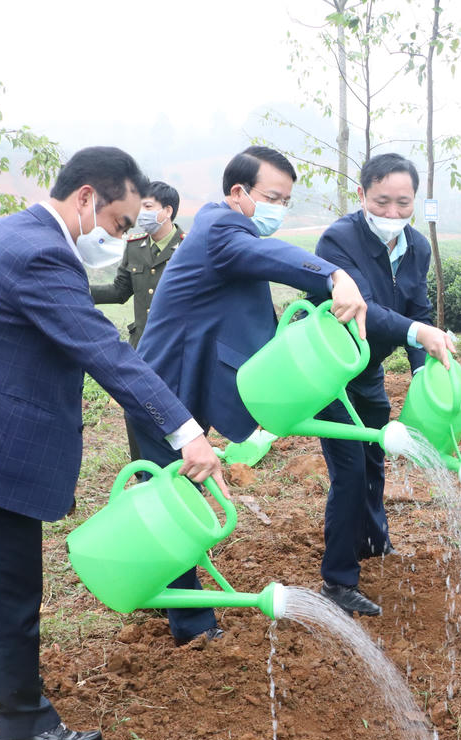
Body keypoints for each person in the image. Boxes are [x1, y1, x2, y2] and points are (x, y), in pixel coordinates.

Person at [0, 147, 226, 740]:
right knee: (12, 582)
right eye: (120, 223)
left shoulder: (8, 232)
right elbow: (107, 353)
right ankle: (24, 718)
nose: (122, 235)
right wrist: (186, 430)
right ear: (85, 198)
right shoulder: (43, 255)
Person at [134, 146, 367, 641]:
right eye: (271, 197)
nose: (278, 209)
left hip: (189, 379)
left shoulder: (228, 232)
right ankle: (191, 626)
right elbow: (273, 258)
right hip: (162, 388)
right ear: (238, 193)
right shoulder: (220, 228)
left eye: (286, 200)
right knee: (176, 499)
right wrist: (333, 274)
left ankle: (159, 593)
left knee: (176, 494)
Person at [312, 153, 455, 617]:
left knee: (374, 461)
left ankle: (374, 541)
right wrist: (419, 334)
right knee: (349, 472)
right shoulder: (339, 240)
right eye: (382, 202)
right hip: (329, 374)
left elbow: (418, 308)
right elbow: (365, 307)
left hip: (367, 372)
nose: (393, 214)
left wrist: (420, 371)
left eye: (403, 203)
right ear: (362, 196)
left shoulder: (416, 246)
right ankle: (338, 580)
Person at [92, 180, 184, 462]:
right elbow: (120, 291)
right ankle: (144, 474)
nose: (139, 213)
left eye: (147, 206)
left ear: (166, 211)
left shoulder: (188, 248)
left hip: (179, 349)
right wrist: (76, 289)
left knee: (178, 413)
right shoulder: (134, 246)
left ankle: (180, 479)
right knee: (136, 411)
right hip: (142, 346)